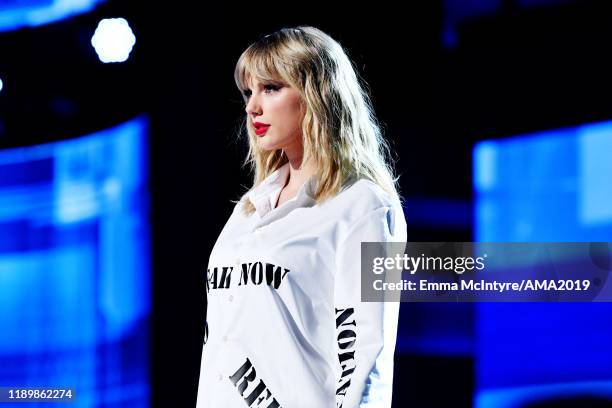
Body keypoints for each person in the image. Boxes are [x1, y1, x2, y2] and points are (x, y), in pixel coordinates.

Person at [196, 26, 407, 408]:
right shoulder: (247, 211)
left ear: (317, 94)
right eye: (249, 92)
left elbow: (365, 356)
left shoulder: (361, 205)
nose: (252, 107)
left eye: (271, 88)